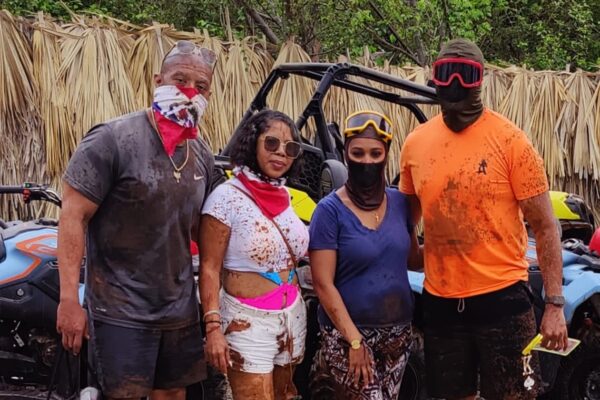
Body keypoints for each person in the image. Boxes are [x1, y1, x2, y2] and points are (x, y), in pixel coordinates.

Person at [399, 38, 568, 400]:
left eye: (466, 73)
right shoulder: (416, 143)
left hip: (503, 301)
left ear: (481, 80)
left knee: (517, 396)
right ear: (435, 78)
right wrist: (411, 254)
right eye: (446, 73)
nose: (456, 82)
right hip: (441, 303)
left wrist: (554, 305)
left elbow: (546, 225)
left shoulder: (511, 141)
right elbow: (404, 217)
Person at [56, 40, 218, 400]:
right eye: (180, 80)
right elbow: (72, 216)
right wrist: (69, 299)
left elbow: (203, 232)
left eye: (201, 86)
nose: (189, 92)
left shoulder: (202, 156)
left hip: (178, 310)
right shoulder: (112, 139)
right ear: (157, 81)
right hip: (120, 309)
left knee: (173, 394)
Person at [308, 110, 422, 400]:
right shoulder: (329, 211)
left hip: (397, 337)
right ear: (346, 154)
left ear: (386, 155)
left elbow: (412, 260)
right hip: (351, 336)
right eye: (358, 153)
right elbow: (323, 284)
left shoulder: (399, 202)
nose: (367, 161)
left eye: (375, 153)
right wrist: (355, 342)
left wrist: (448, 240)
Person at [200, 109, 309, 400]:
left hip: (291, 317)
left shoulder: (288, 198)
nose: (281, 153)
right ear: (252, 143)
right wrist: (213, 329)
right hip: (247, 321)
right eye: (271, 143)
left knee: (285, 394)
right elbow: (209, 268)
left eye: (291, 148)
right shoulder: (226, 199)